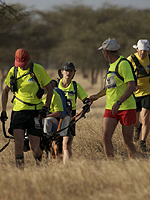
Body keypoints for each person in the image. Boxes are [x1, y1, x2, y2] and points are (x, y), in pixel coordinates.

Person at [1, 48, 53, 169]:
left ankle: (41, 165)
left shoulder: (38, 69)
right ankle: (21, 170)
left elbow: (50, 89)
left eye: (23, 65)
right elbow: (5, 91)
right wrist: (3, 110)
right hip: (18, 111)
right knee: (18, 143)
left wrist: (46, 107)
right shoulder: (13, 71)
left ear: (29, 60)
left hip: (35, 112)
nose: (22, 67)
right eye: (19, 64)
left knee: (34, 147)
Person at [89, 38, 137, 160]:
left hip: (126, 107)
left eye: (103, 51)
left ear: (106, 52)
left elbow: (131, 86)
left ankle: (136, 165)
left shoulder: (123, 64)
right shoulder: (110, 66)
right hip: (110, 108)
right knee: (105, 137)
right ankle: (111, 164)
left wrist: (119, 102)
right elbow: (108, 87)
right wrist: (96, 96)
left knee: (128, 141)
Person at [57, 62, 89, 164]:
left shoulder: (76, 86)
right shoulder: (55, 85)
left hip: (70, 116)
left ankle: (67, 168)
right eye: (66, 70)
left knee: (66, 144)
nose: (68, 73)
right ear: (62, 72)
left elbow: (85, 99)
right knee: (56, 145)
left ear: (74, 73)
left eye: (71, 71)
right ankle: (56, 168)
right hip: (56, 115)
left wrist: (87, 105)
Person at [127, 39, 150, 152]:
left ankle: (142, 142)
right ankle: (138, 127)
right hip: (134, 93)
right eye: (141, 50)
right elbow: (124, 73)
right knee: (135, 120)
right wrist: (132, 85)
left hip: (147, 92)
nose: (143, 53)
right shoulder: (130, 59)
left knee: (145, 117)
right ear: (137, 49)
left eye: (145, 51)